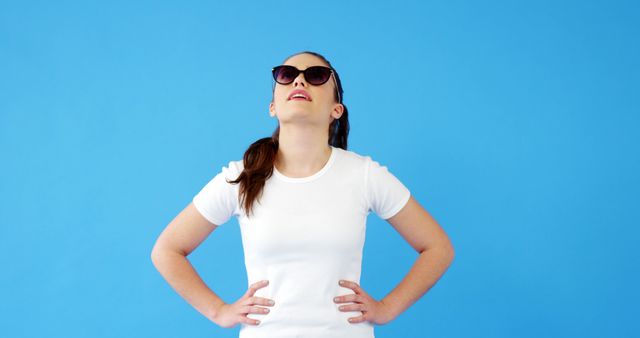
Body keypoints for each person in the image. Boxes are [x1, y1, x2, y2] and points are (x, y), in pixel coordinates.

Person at [151, 50, 455, 338]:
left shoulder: (364, 175)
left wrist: (386, 309)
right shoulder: (241, 177)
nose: (299, 80)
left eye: (316, 75)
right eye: (286, 74)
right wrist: (218, 311)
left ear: (337, 109)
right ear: (272, 106)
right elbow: (167, 250)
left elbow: (437, 247)